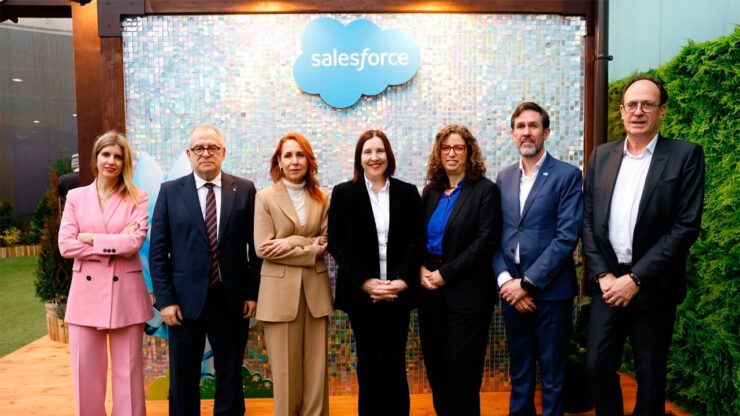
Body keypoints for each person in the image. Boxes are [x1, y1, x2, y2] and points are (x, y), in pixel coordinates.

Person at [583, 76, 705, 416]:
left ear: (661, 111)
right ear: (622, 111)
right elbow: (588, 221)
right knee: (597, 366)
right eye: (632, 104)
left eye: (647, 104)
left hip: (653, 285)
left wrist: (636, 279)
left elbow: (686, 226)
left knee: (650, 378)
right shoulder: (601, 156)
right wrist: (604, 275)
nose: (638, 111)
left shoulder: (685, 155)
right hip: (608, 284)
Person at [150, 124, 261, 416]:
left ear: (223, 152)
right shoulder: (170, 192)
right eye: (199, 148)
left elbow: (256, 248)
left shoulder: (245, 190)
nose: (206, 153)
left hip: (231, 298)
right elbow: (159, 252)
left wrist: (253, 293)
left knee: (230, 371)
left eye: (212, 147)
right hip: (183, 302)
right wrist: (165, 300)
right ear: (189, 154)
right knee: (183, 375)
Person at [493, 102, 583, 416]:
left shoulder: (567, 175)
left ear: (546, 132)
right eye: (521, 126)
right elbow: (496, 235)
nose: (527, 132)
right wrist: (507, 282)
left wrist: (527, 284)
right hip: (511, 292)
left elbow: (566, 237)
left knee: (553, 373)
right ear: (512, 133)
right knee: (519, 370)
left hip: (552, 292)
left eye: (533, 126)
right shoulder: (504, 178)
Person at [328, 129, 424, 416]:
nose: (374, 157)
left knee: (394, 361)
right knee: (368, 362)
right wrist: (366, 282)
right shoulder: (344, 193)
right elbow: (337, 242)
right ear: (359, 158)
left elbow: (417, 240)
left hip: (398, 293)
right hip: (362, 295)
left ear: (388, 155)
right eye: (367, 151)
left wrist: (400, 281)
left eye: (379, 150)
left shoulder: (408, 192)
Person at [58, 131, 152, 416]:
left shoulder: (138, 197)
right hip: (85, 297)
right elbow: (66, 245)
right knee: (85, 373)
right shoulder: (75, 197)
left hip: (126, 294)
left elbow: (133, 243)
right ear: (96, 158)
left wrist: (90, 238)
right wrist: (115, 242)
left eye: (118, 156)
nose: (111, 161)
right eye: (106, 154)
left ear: (125, 163)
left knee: (129, 374)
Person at [418, 124, 502, 416]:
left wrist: (446, 274)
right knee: (436, 369)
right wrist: (421, 268)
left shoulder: (485, 191)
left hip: (468, 294)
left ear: (469, 152)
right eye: (446, 148)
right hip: (430, 293)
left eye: (458, 148)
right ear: (439, 153)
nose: (451, 153)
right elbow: (416, 237)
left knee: (462, 372)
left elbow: (485, 242)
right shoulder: (430, 192)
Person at [253, 133, 332, 416]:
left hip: (315, 292)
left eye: (300, 155)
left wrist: (288, 242)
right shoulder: (264, 197)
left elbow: (325, 242)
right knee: (285, 374)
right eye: (288, 155)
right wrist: (305, 245)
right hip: (278, 295)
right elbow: (264, 248)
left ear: (308, 161)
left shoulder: (322, 198)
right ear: (279, 161)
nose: (294, 161)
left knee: (316, 372)